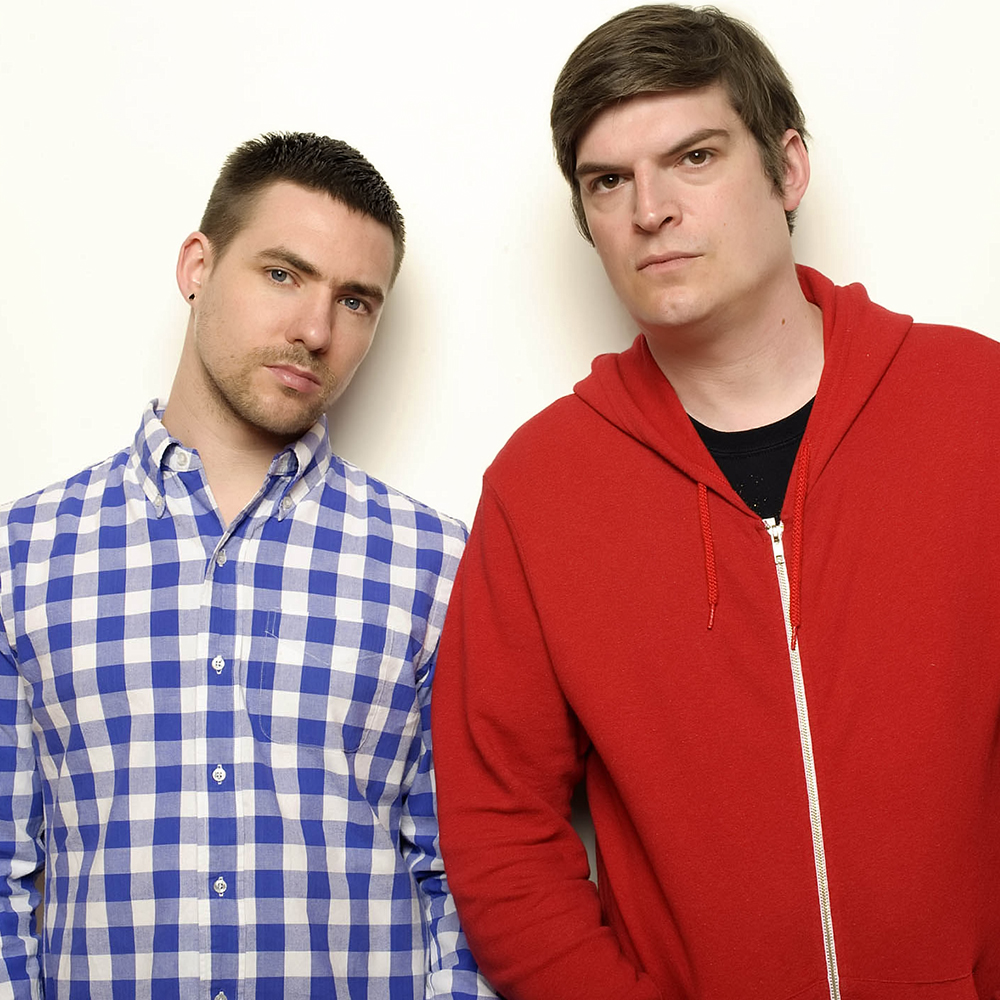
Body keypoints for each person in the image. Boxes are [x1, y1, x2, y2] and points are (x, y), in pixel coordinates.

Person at [431, 7, 1000, 1000]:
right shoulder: (540, 488)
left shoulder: (974, 404)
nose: (649, 210)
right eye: (608, 181)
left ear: (788, 168)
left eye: (693, 157)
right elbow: (499, 833)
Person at [0, 132, 495, 1000]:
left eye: (355, 301)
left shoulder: (438, 565)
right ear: (197, 265)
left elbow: (468, 879)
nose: (315, 330)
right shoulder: (23, 554)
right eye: (282, 274)